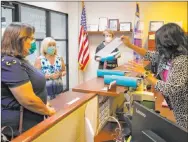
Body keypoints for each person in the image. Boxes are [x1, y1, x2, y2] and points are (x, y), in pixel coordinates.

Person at [121, 23, 188, 129]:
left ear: (170, 43)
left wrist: (145, 73)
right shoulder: (166, 56)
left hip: (184, 109)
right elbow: (149, 54)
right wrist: (130, 45)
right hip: (176, 105)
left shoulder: (182, 61)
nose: (158, 47)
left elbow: (170, 89)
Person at [1, 23, 56, 139]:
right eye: (30, 38)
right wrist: (48, 110)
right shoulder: (9, 63)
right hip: (19, 128)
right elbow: (28, 100)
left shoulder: (21, 60)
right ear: (18, 40)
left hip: (32, 121)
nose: (33, 41)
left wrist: (43, 103)